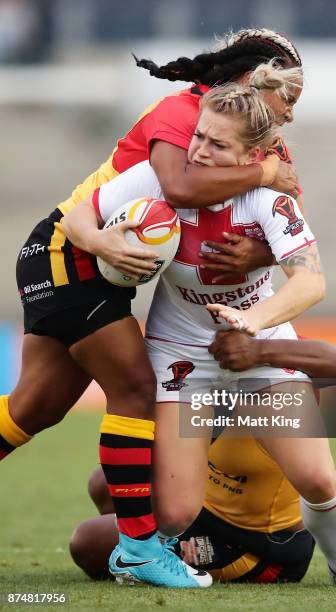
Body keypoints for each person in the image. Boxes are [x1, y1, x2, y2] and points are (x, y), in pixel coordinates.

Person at [63, 83, 336, 590]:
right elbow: (78, 214)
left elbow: (311, 282)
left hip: (258, 355)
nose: (200, 150)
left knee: (315, 479)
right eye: (200, 136)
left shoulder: (270, 202)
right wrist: (102, 244)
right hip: (180, 356)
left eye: (218, 145)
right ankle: (147, 555)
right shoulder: (153, 180)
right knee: (177, 511)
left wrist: (255, 321)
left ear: (253, 156)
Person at [0, 30, 310, 590]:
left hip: (95, 268)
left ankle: (141, 543)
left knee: (32, 408)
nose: (288, 113)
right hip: (70, 251)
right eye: (285, 96)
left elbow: (284, 223)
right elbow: (178, 183)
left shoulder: (258, 140)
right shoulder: (182, 111)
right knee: (139, 392)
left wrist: (262, 247)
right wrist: (262, 173)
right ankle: (141, 550)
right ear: (251, 79)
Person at [70, 334, 336, 583]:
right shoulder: (199, 359)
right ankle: (151, 543)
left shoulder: (274, 373)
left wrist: (258, 350)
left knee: (87, 542)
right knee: (104, 483)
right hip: (204, 507)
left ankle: (151, 551)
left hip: (257, 545)